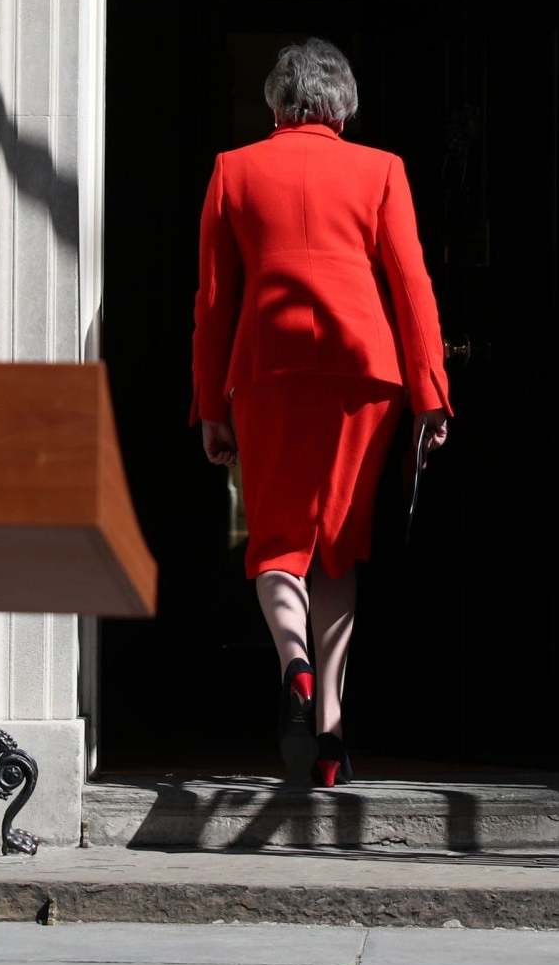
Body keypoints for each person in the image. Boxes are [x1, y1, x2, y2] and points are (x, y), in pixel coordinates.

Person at [189, 38, 450, 787]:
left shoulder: (233, 169)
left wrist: (210, 405)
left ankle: (293, 662)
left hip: (266, 372)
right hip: (364, 372)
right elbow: (412, 286)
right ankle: (330, 727)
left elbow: (212, 302)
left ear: (277, 100)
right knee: (338, 544)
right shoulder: (381, 170)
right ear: (342, 104)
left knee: (275, 541)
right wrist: (430, 392)